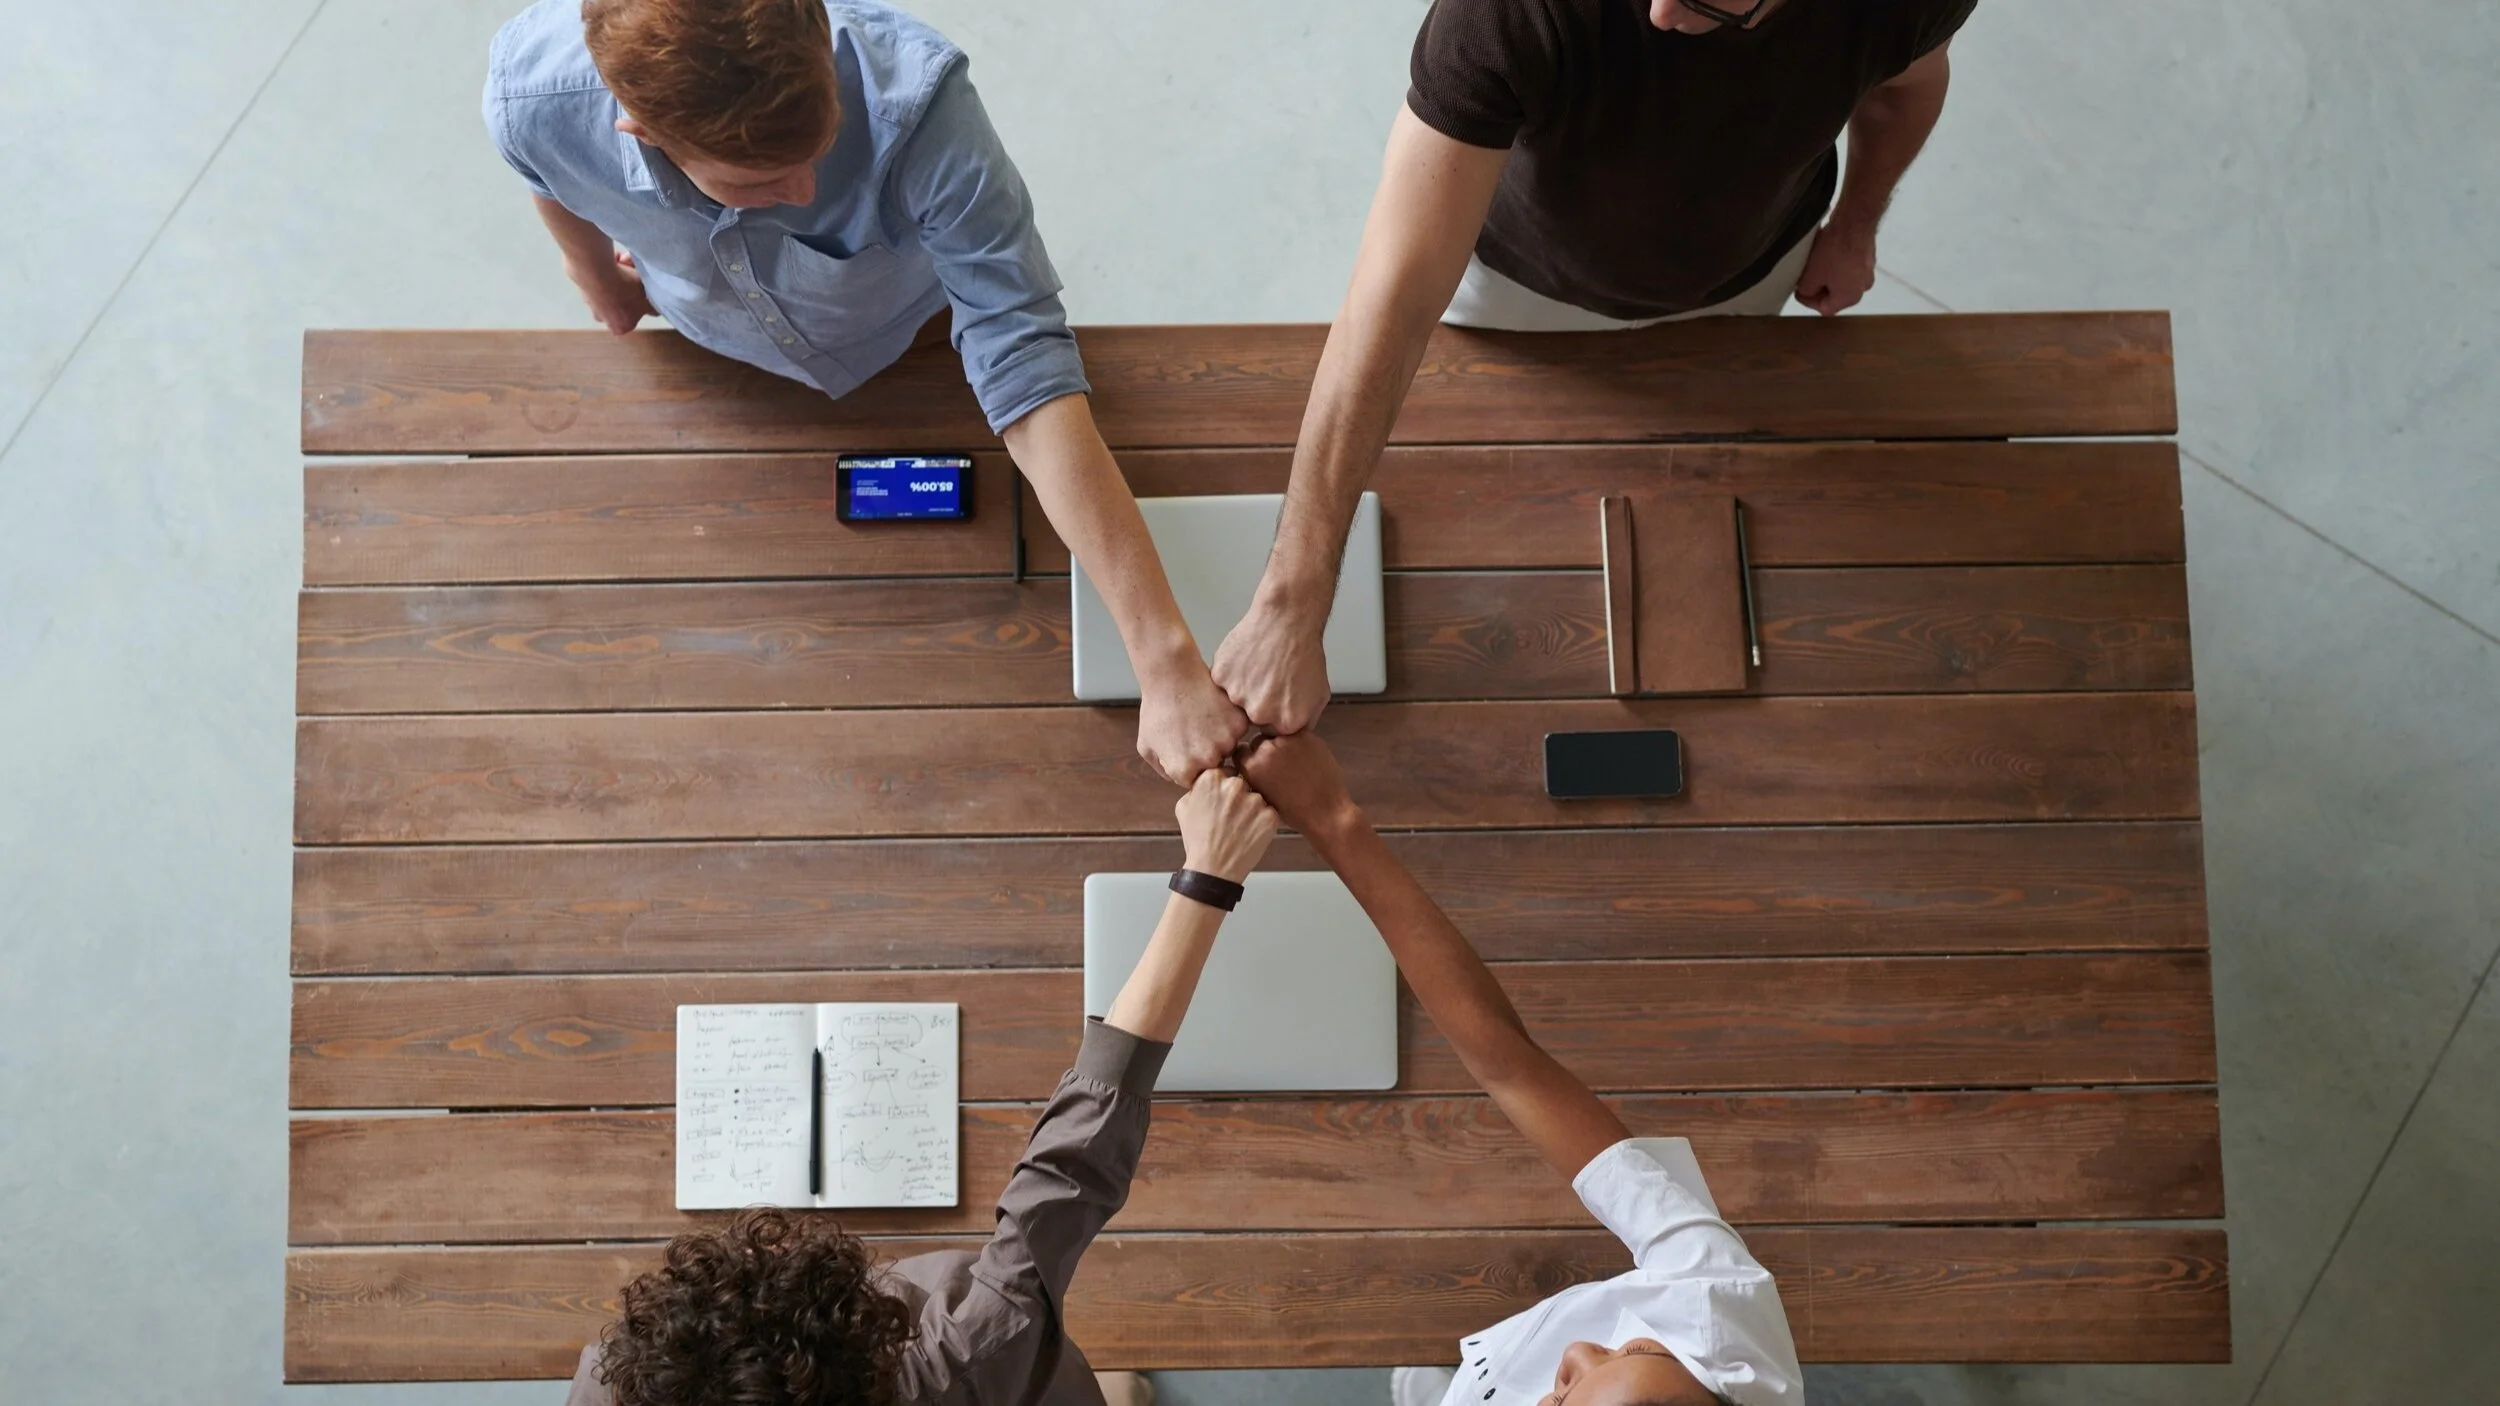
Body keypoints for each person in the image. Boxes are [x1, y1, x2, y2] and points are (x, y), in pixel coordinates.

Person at [485, 0, 1245, 784]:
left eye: (822, 141)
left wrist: (1166, 663)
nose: (810, 185)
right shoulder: (528, 99)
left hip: (909, 329)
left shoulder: (921, 108)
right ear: (639, 129)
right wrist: (593, 278)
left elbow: (1020, 351)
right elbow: (543, 167)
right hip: (714, 356)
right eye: (765, 180)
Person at [1211, 0, 1976, 735]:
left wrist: (1855, 226)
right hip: (1515, 286)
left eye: (1713, 2)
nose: (1663, 15)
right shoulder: (1504, 12)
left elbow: (1908, 85)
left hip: (1753, 272)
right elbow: (1396, 297)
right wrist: (1291, 602)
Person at [562, 768, 1278, 1406]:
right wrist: (1207, 875)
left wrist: (1211, 874)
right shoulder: (965, 1352)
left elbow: (1072, 1171)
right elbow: (1073, 1160)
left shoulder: (614, 1380)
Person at [1240, 733, 1803, 1406]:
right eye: (1628, 1350)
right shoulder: (1715, 1299)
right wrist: (1333, 820)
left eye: (1557, 1400)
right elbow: (1509, 1064)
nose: (1573, 1356)